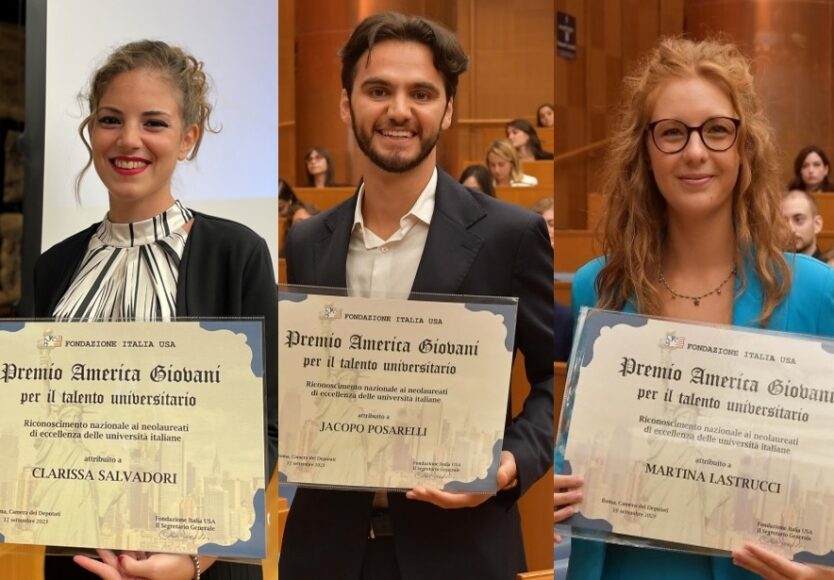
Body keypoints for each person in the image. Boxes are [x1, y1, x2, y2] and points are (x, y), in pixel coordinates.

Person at [280, 12, 553, 580]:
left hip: (462, 550)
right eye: (378, 90)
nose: (399, 111)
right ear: (345, 102)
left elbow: (552, 382)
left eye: (421, 93)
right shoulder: (307, 240)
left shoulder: (510, 236)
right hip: (325, 552)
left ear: (448, 110)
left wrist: (509, 466)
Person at [554, 37, 834, 580]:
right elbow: (581, 449)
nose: (695, 152)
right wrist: (561, 483)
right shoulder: (600, 287)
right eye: (672, 132)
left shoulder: (816, 292)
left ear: (744, 145)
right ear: (646, 149)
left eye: (717, 130)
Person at [32, 39, 277, 580]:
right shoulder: (52, 268)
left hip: (199, 566)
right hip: (79, 560)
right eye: (111, 119)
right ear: (92, 130)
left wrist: (196, 557)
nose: (129, 140)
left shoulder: (236, 255)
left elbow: (266, 425)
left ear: (188, 138)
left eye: (155, 123)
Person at [781, 189, 824, 260]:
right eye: (782, 222)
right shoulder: (770, 269)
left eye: (798, 220)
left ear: (817, 224)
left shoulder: (829, 269)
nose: (791, 229)